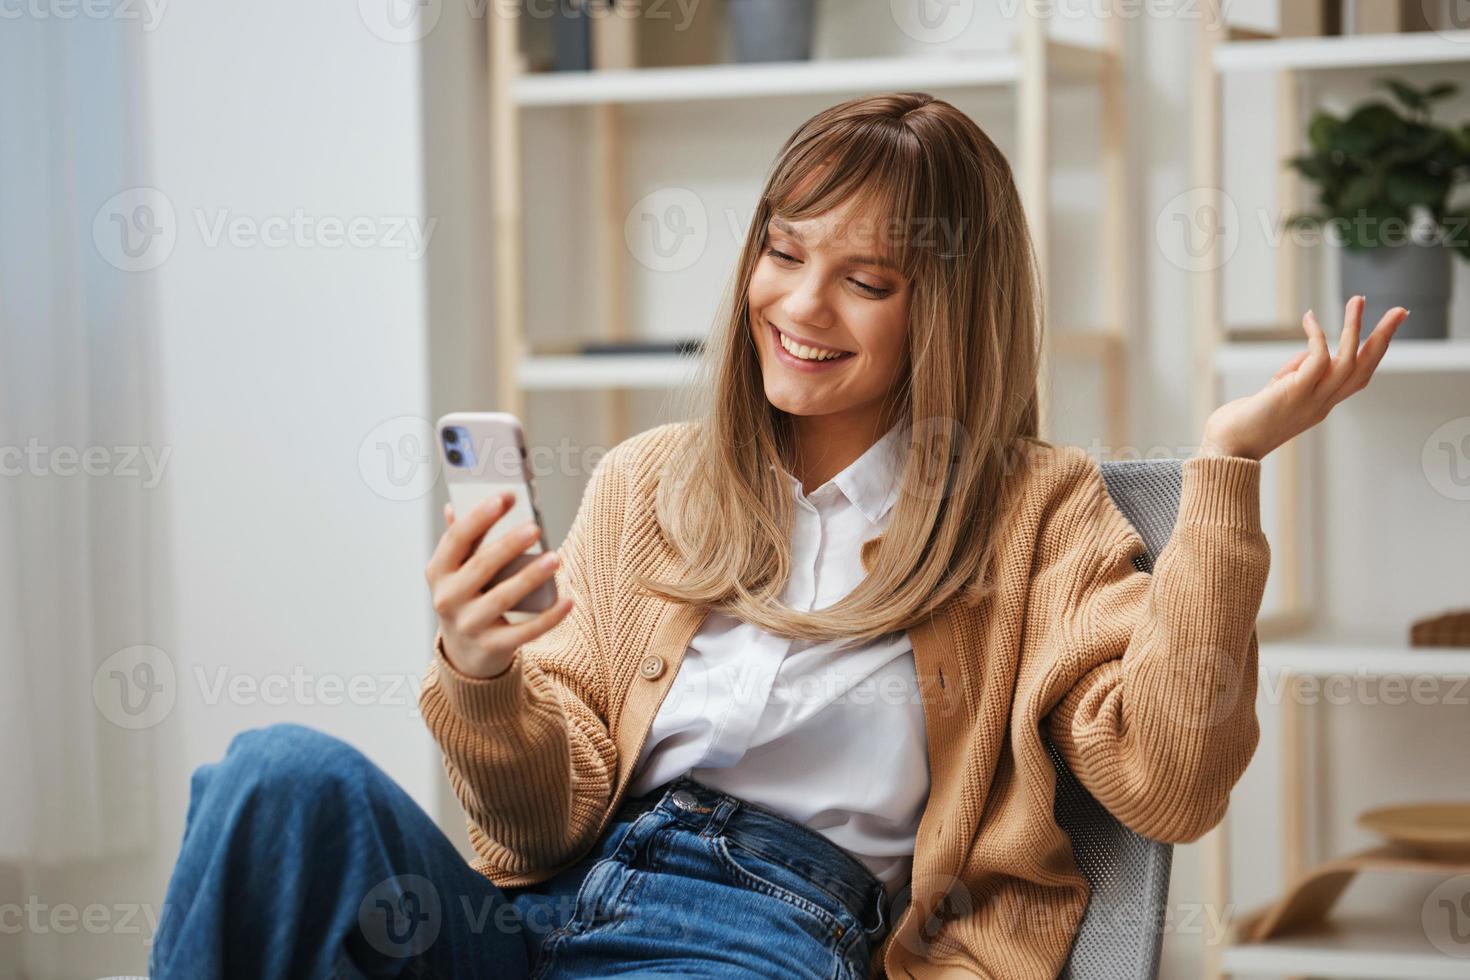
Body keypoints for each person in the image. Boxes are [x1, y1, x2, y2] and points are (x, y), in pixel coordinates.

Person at [147, 92, 1406, 979]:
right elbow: (531, 833)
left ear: (947, 311)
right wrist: (481, 678)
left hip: (771, 932)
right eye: (783, 251)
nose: (799, 305)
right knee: (274, 776)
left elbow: (1171, 782)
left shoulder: (1034, 512)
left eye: (867, 280)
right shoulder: (653, 484)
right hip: (549, 917)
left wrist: (1227, 472)